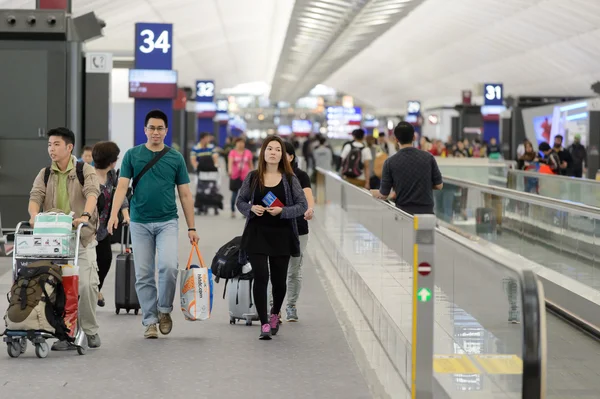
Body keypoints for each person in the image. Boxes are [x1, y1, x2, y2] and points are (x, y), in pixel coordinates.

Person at [108, 109, 199, 339]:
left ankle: (164, 310)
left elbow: (186, 195)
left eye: (160, 128)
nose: (155, 132)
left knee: (168, 267)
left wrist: (192, 227)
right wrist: (113, 215)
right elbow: (121, 187)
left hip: (167, 221)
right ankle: (149, 320)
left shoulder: (175, 157)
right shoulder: (132, 155)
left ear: (166, 131)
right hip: (139, 223)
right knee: (144, 273)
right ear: (145, 130)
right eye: (152, 128)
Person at [28, 128, 101, 350]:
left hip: (81, 237)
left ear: (69, 147)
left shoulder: (84, 170)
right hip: (54, 240)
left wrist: (85, 216)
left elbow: (92, 193)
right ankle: (64, 331)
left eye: (56, 144)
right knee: (55, 285)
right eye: (50, 144)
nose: (52, 148)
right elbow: (35, 197)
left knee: (87, 285)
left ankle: (89, 329)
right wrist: (33, 216)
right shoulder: (45, 173)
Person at [236, 136, 308, 340]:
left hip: (281, 235)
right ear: (263, 152)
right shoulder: (253, 177)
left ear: (283, 155)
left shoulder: (290, 179)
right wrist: (251, 208)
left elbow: (302, 206)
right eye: (270, 148)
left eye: (278, 149)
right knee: (261, 277)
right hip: (257, 233)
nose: (273, 152)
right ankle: (264, 323)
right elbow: (240, 201)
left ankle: (275, 313)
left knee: (278, 280)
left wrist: (282, 211)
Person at [270, 141, 314, 322]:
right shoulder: (270, 175)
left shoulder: (301, 175)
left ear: (291, 157)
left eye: (281, 152)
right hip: (275, 227)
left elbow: (308, 195)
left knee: (294, 269)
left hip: (298, 228)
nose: (277, 155)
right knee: (275, 269)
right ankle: (275, 307)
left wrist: (309, 208)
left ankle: (291, 306)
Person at [371, 122, 443, 215]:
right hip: (427, 213)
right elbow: (439, 185)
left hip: (403, 214)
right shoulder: (428, 157)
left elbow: (384, 194)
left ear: (396, 139)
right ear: (414, 137)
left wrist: (373, 192)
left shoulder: (390, 162)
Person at [92, 141, 130, 308]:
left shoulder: (112, 176)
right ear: (111, 160)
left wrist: (126, 215)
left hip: (103, 229)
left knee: (105, 260)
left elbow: (120, 196)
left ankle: (95, 289)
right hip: (87, 230)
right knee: (89, 263)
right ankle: (89, 292)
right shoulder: (88, 176)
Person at [191, 133, 222, 215]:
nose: (209, 139)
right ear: (202, 138)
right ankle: (199, 206)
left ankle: (214, 205)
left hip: (211, 172)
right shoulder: (196, 148)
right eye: (207, 138)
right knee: (200, 189)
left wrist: (216, 165)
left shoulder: (211, 147)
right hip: (200, 172)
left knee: (213, 189)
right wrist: (197, 167)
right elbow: (193, 160)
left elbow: (215, 157)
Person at [228, 138, 253, 218]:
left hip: (245, 177)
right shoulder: (232, 152)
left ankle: (245, 211)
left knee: (246, 195)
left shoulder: (248, 153)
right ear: (235, 144)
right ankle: (232, 210)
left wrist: (253, 174)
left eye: (242, 143)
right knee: (234, 194)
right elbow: (230, 162)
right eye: (238, 143)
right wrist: (230, 170)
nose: (240, 144)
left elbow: (250, 164)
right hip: (235, 176)